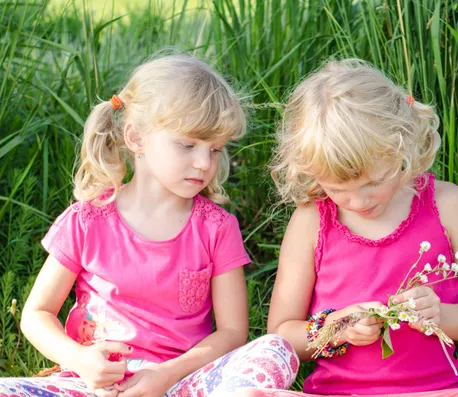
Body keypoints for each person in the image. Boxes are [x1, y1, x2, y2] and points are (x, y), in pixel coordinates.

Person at [240, 59, 458, 396]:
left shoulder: (447, 205)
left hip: (433, 392)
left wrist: (440, 315)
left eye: (373, 182)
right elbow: (281, 336)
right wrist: (339, 328)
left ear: (400, 147)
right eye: (337, 190)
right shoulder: (312, 220)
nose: (358, 202)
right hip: (338, 394)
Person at [0, 54, 298, 397]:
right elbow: (36, 314)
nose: (204, 163)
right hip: (94, 387)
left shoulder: (216, 228)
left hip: (183, 384)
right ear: (137, 139)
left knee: (276, 350)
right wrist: (80, 360)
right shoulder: (88, 220)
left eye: (215, 149)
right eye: (187, 145)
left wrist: (166, 375)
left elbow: (232, 332)